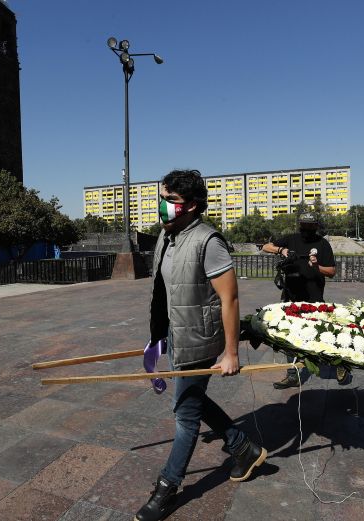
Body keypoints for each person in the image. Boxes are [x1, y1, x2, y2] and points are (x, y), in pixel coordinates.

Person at [136, 170, 266, 521]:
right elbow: (163, 293)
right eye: (162, 197)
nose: (164, 206)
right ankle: (242, 448)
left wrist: (231, 352)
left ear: (193, 205)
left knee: (185, 414)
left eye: (172, 201)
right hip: (177, 332)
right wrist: (157, 336)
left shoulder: (208, 241)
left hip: (202, 338)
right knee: (191, 397)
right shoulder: (167, 237)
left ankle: (167, 488)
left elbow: (230, 298)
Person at [261, 212, 341, 389]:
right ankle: (293, 375)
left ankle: (340, 365)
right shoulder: (291, 239)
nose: (306, 228)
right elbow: (266, 247)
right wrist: (281, 250)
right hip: (291, 297)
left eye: (310, 225)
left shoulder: (322, 243)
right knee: (289, 336)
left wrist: (316, 266)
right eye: (303, 224)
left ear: (316, 226)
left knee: (322, 334)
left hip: (314, 298)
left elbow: (332, 271)